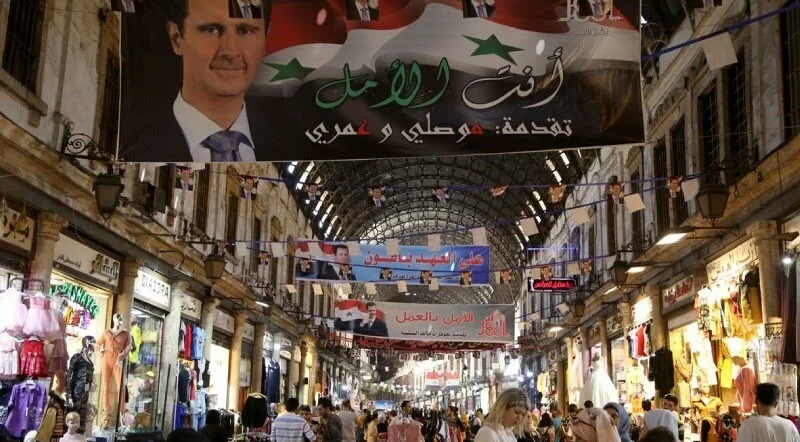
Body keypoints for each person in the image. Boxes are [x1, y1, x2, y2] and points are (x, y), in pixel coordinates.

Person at [124, 0, 271, 162]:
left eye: (245, 31)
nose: (230, 51)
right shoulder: (134, 149)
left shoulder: (282, 142)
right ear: (176, 38)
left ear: (266, 38)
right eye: (212, 30)